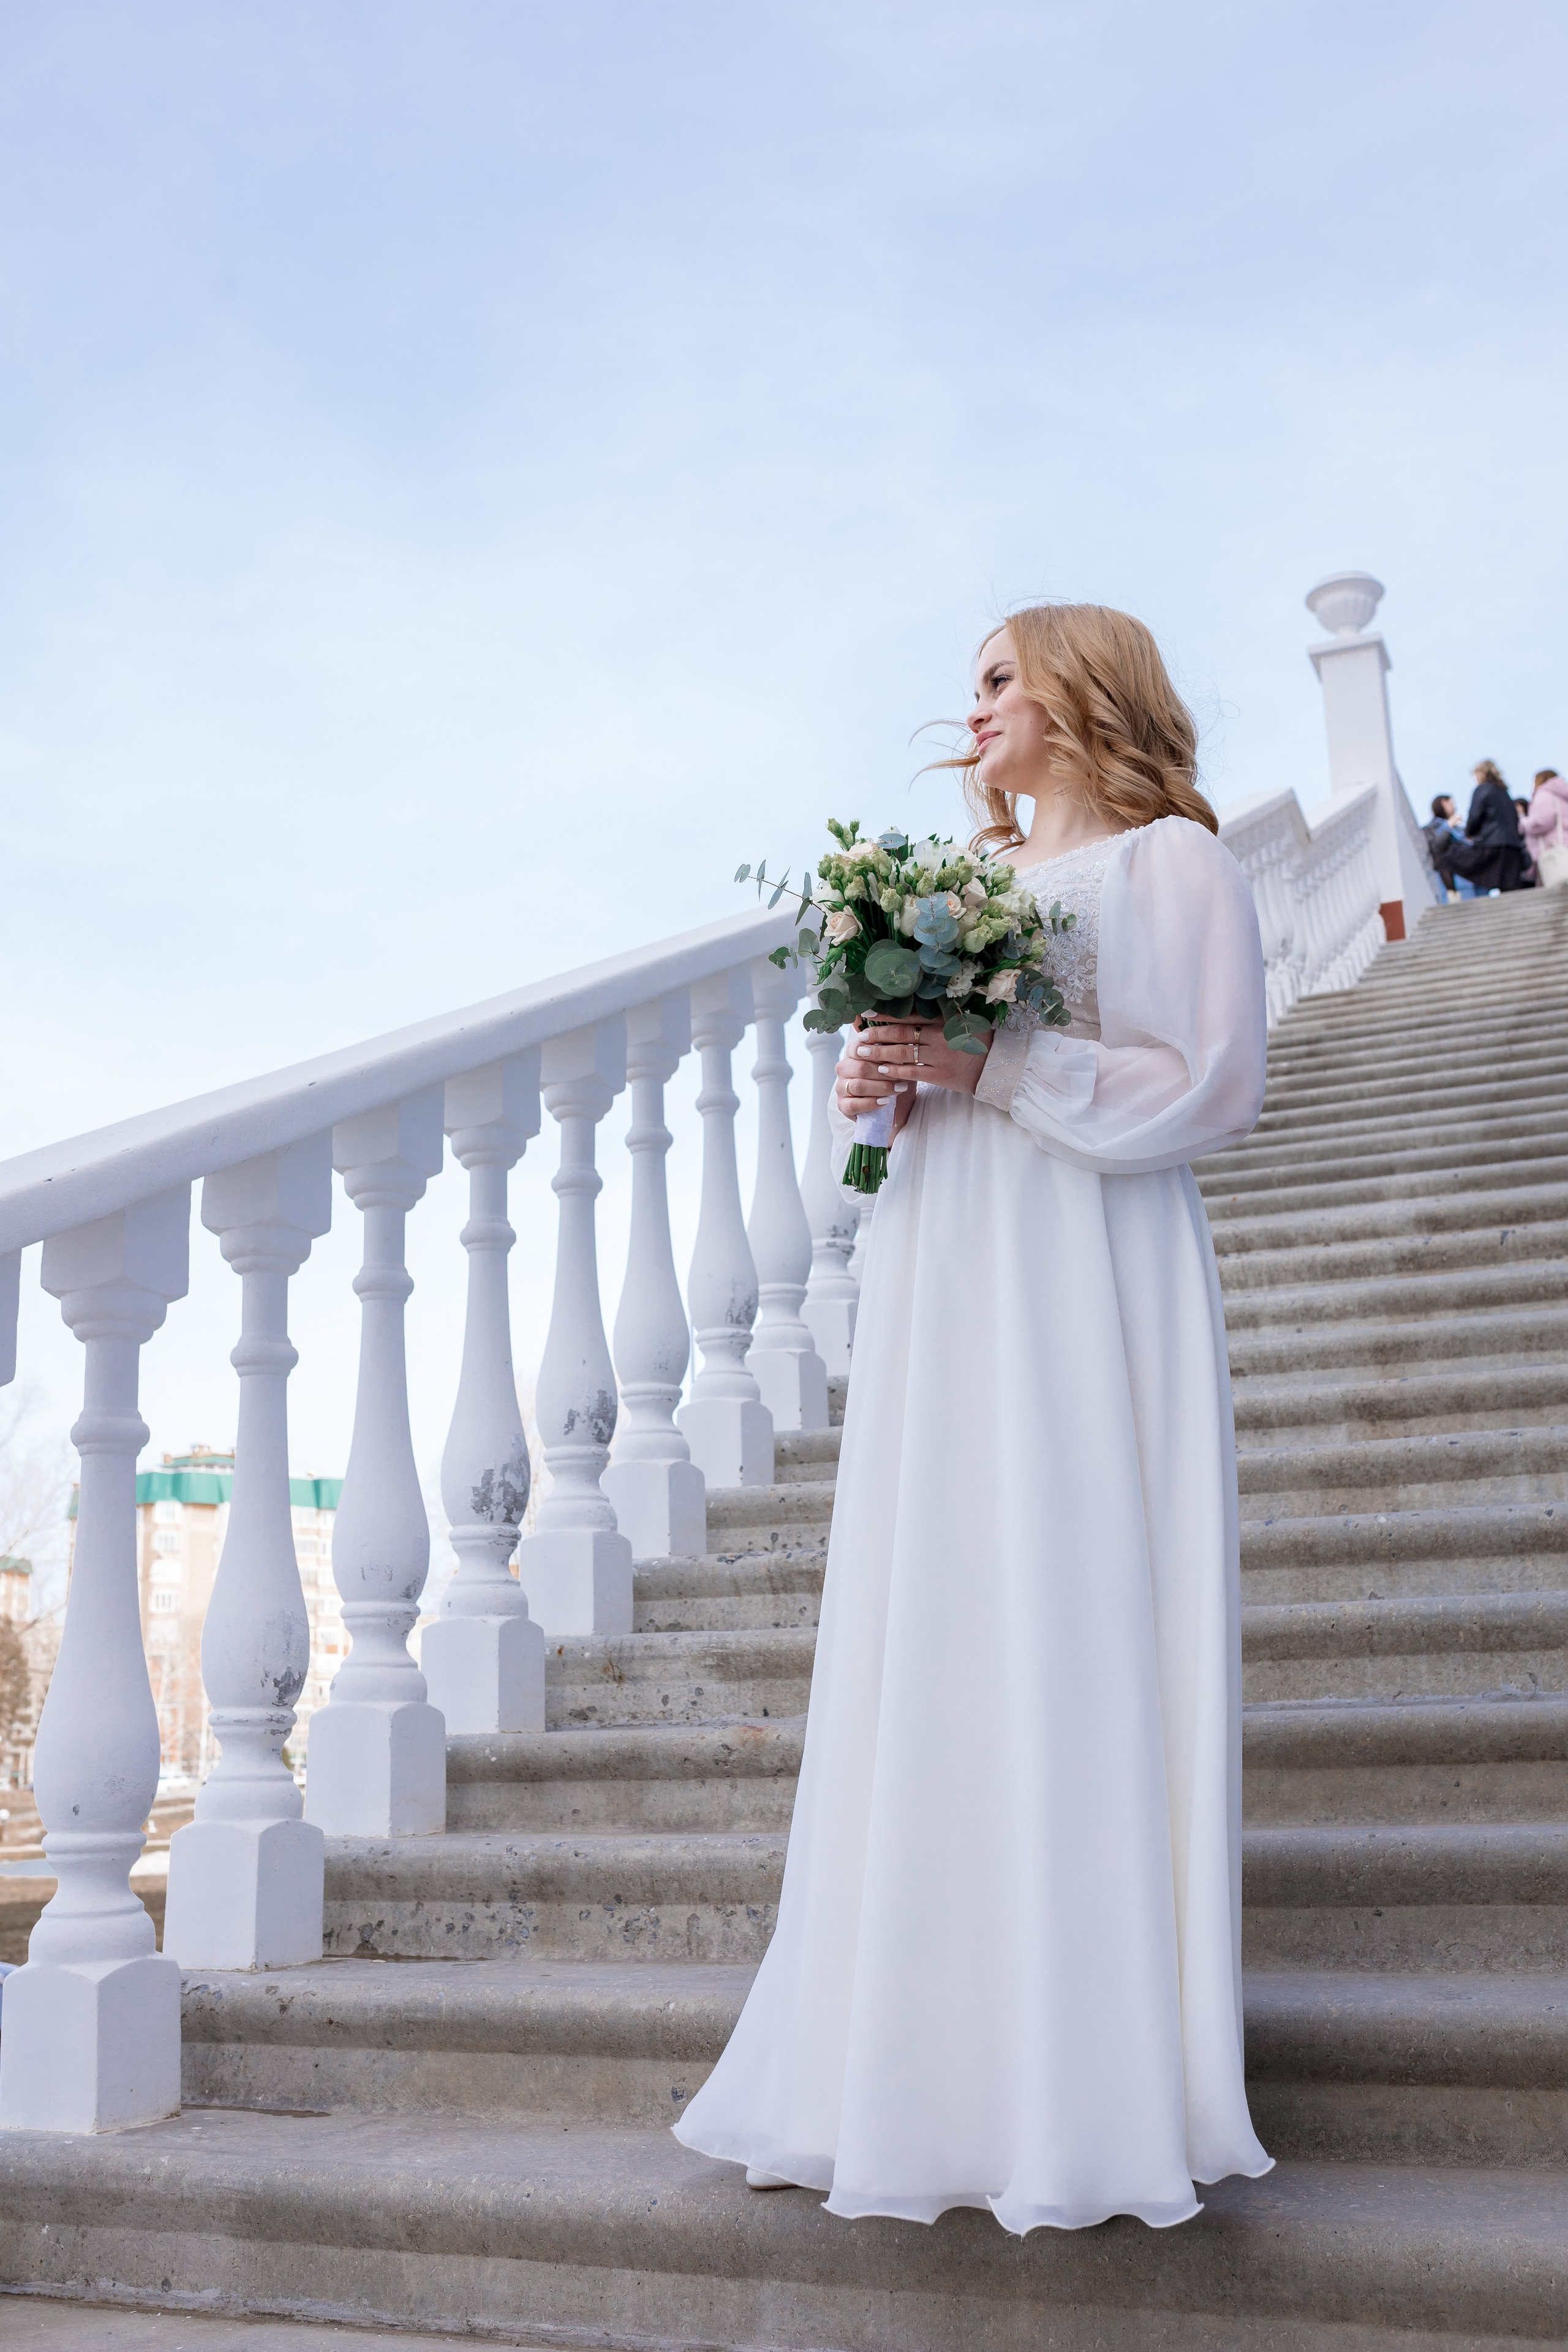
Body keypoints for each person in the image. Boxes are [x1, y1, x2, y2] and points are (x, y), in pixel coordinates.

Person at [674, 603, 1274, 2234]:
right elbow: (908, 1129)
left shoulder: (1176, 870)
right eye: (975, 688)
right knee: (937, 1618)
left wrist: (995, 1065)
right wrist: (875, 1084)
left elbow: (1217, 1083)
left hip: (1089, 1271)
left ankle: (1084, 2082)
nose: (981, 709)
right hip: (951, 1275)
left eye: (1004, 677)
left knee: (1075, 1612)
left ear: (1089, 692)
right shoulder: (962, 895)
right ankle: (919, 2067)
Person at [1464, 759, 1529, 893]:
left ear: (1481, 774)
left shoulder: (1482, 790)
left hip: (1492, 844)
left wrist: (1469, 832)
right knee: (1511, 889)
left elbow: (1475, 815)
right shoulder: (1504, 792)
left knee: (1450, 859)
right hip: (1513, 845)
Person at [1523, 768, 1568, 889]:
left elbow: (1541, 822)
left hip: (1553, 848)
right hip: (1565, 846)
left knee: (1557, 890)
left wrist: (1523, 823)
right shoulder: (1563, 796)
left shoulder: (1544, 794)